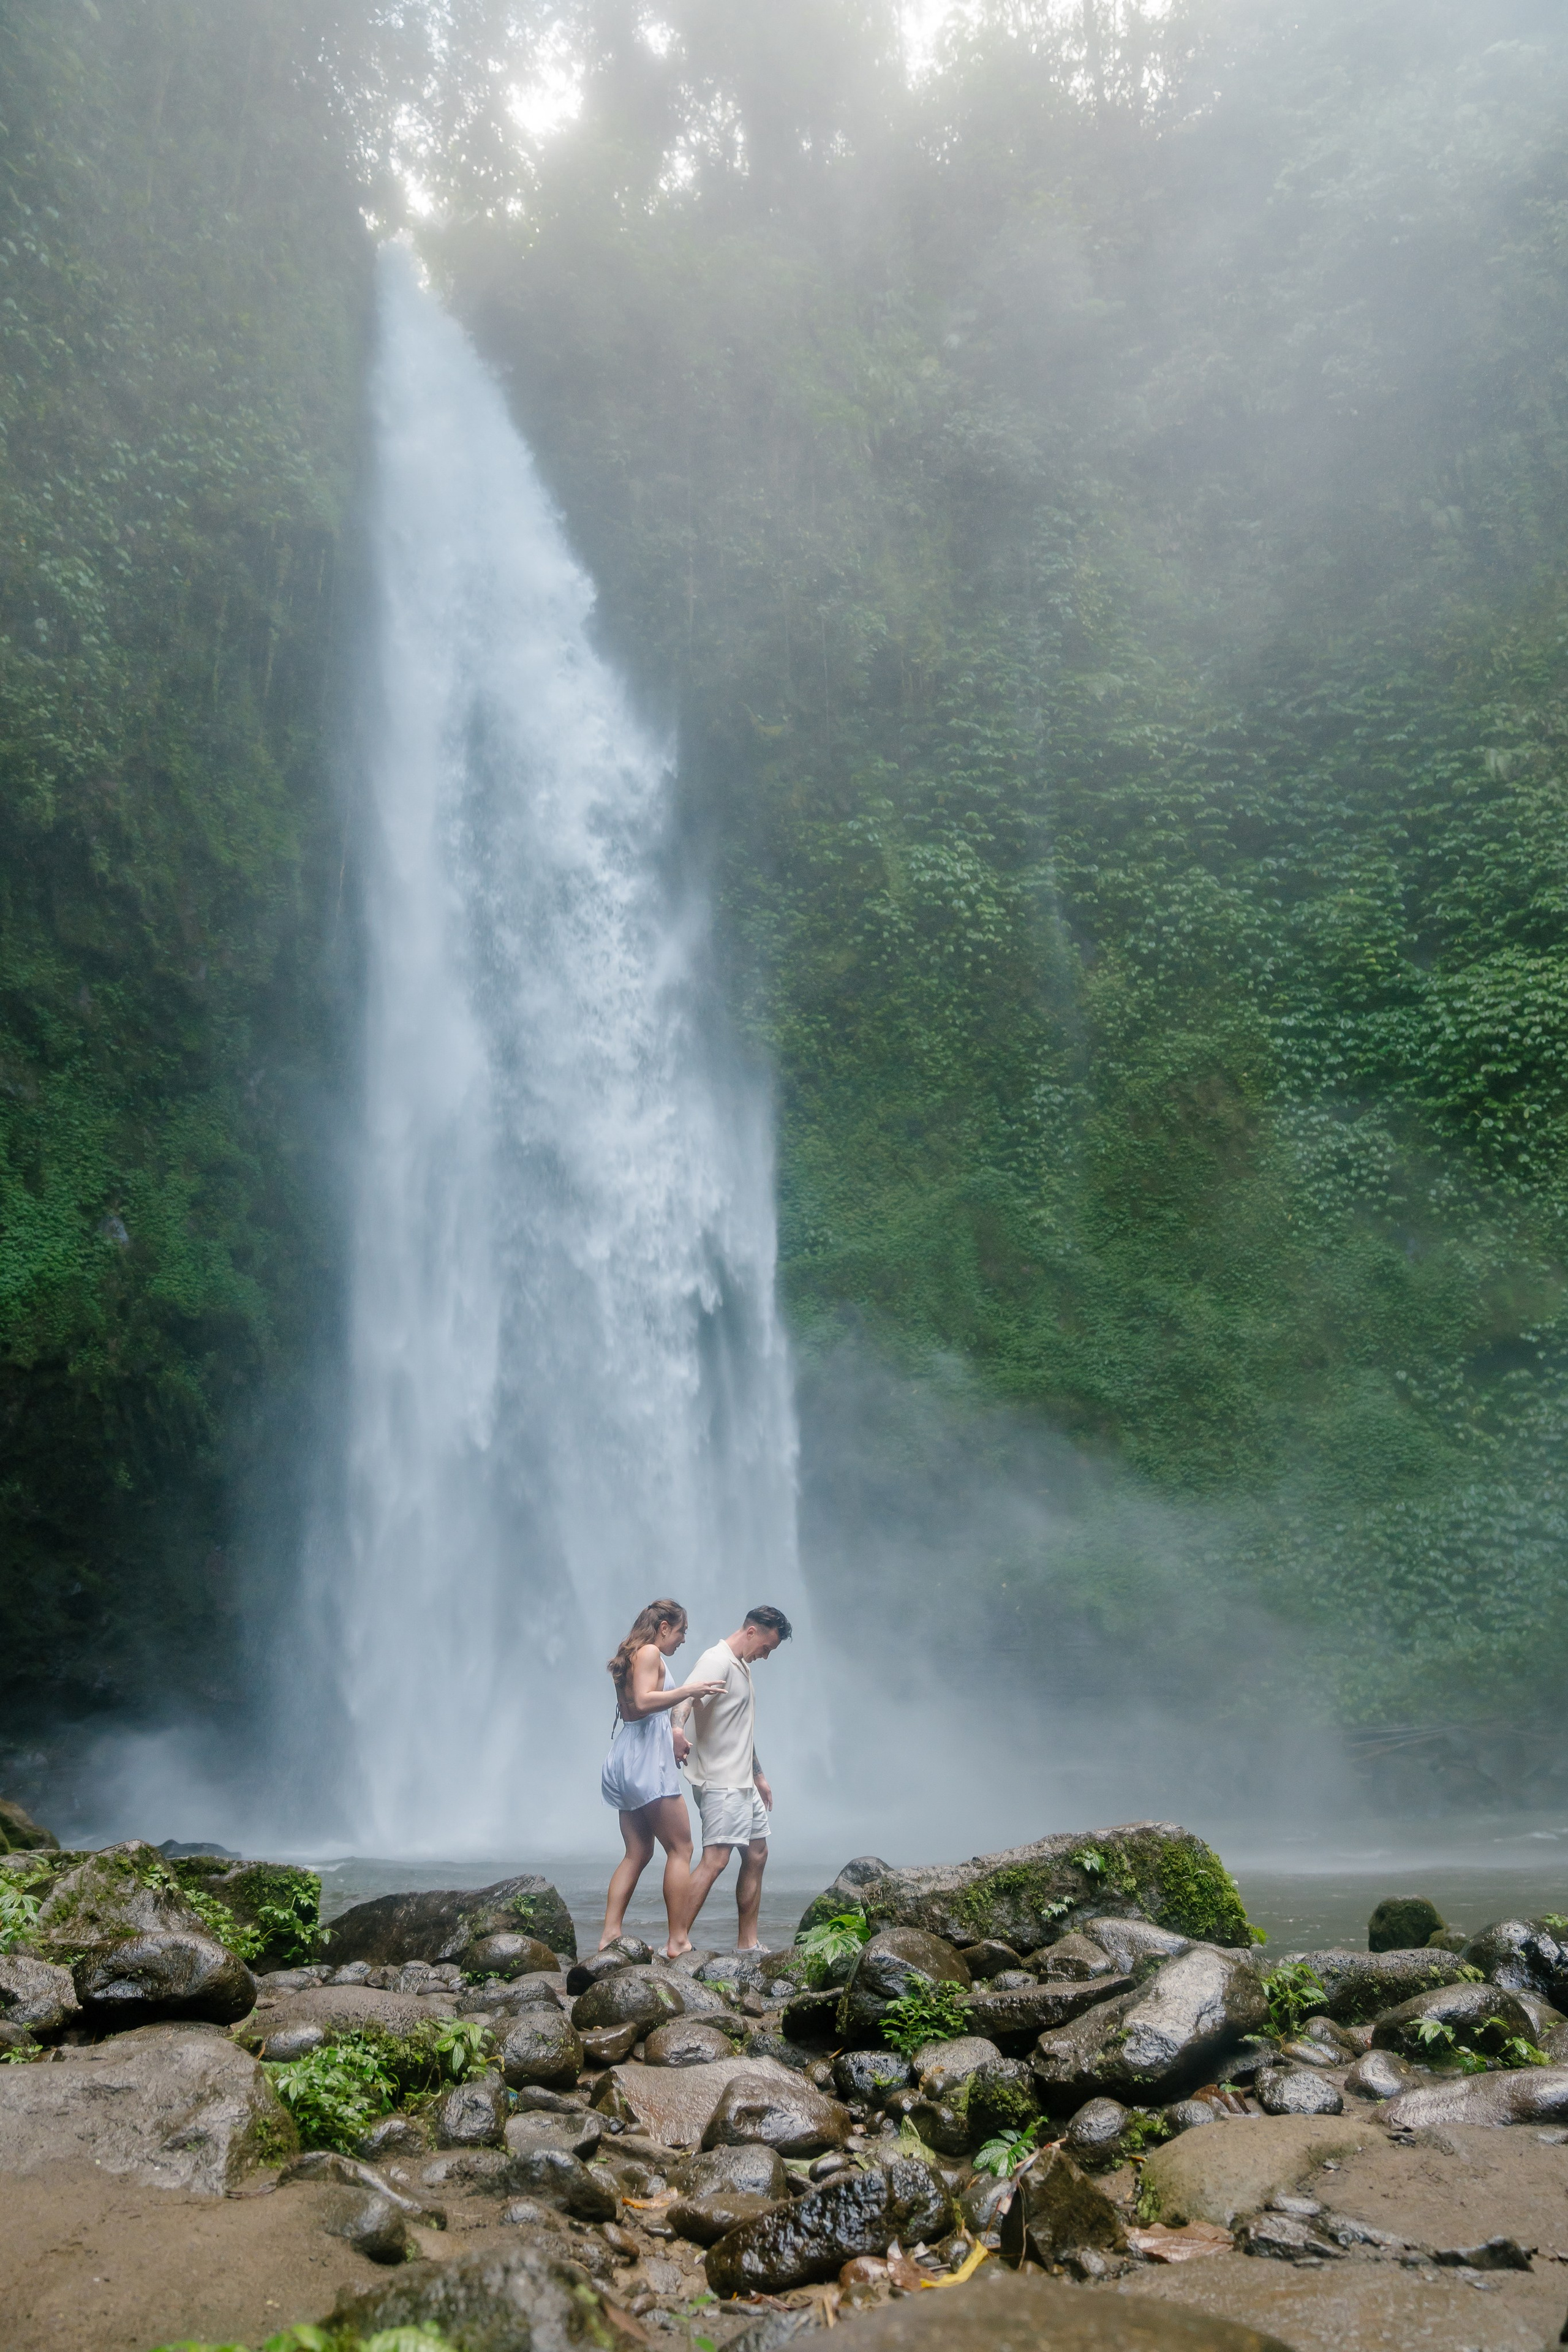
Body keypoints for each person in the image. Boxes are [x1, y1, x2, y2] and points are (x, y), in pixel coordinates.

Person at [599, 1600, 725, 1958]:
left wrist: (673, 1733)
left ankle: (610, 1935)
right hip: (646, 1761)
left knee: (637, 1852)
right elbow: (642, 1701)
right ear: (665, 1626)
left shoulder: (631, 1653)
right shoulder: (650, 1651)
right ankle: (678, 1941)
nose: (684, 1640)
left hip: (626, 1755)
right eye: (682, 1631)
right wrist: (689, 1690)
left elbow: (634, 1709)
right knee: (682, 1849)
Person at [670, 1604, 793, 1953]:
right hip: (720, 1782)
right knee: (716, 1860)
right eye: (767, 1648)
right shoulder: (717, 1659)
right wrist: (677, 1730)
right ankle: (677, 1941)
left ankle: (748, 1943)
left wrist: (759, 1775)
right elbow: (686, 1699)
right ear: (752, 1632)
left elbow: (740, 1729)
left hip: (742, 1781)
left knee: (757, 1852)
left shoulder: (742, 1666)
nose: (765, 1656)